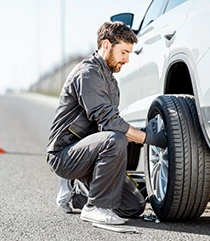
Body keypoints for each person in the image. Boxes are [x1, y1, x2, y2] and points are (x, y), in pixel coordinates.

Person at [46, 21, 168, 225]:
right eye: (123, 52)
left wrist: (138, 133)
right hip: (64, 153)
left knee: (133, 206)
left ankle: (77, 193)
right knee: (114, 139)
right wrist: (147, 138)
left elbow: (106, 125)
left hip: (88, 153)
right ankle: (95, 207)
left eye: (129, 53)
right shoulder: (88, 74)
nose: (127, 59)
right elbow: (110, 124)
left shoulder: (110, 81)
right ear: (105, 45)